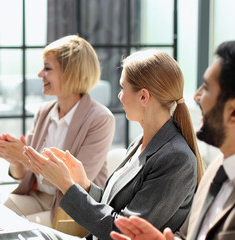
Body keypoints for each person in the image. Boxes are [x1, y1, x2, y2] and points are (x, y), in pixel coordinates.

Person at [24, 49, 205, 240]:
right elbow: (113, 207)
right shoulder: (141, 143)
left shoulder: (176, 159)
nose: (120, 96)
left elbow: (122, 231)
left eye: (122, 88)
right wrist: (84, 185)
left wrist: (67, 187)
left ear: (143, 96)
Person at [0, 35, 115, 227]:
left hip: (72, 207)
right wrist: (15, 160)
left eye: (48, 69)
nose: (40, 74)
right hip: (39, 196)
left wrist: (25, 156)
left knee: (14, 228)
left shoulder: (100, 119)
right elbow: (23, 174)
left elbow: (75, 182)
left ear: (71, 73)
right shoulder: (44, 112)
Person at [110, 41, 235, 240]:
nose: (196, 96)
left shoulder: (178, 157)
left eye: (208, 88)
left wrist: (72, 189)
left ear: (233, 111)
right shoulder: (217, 170)